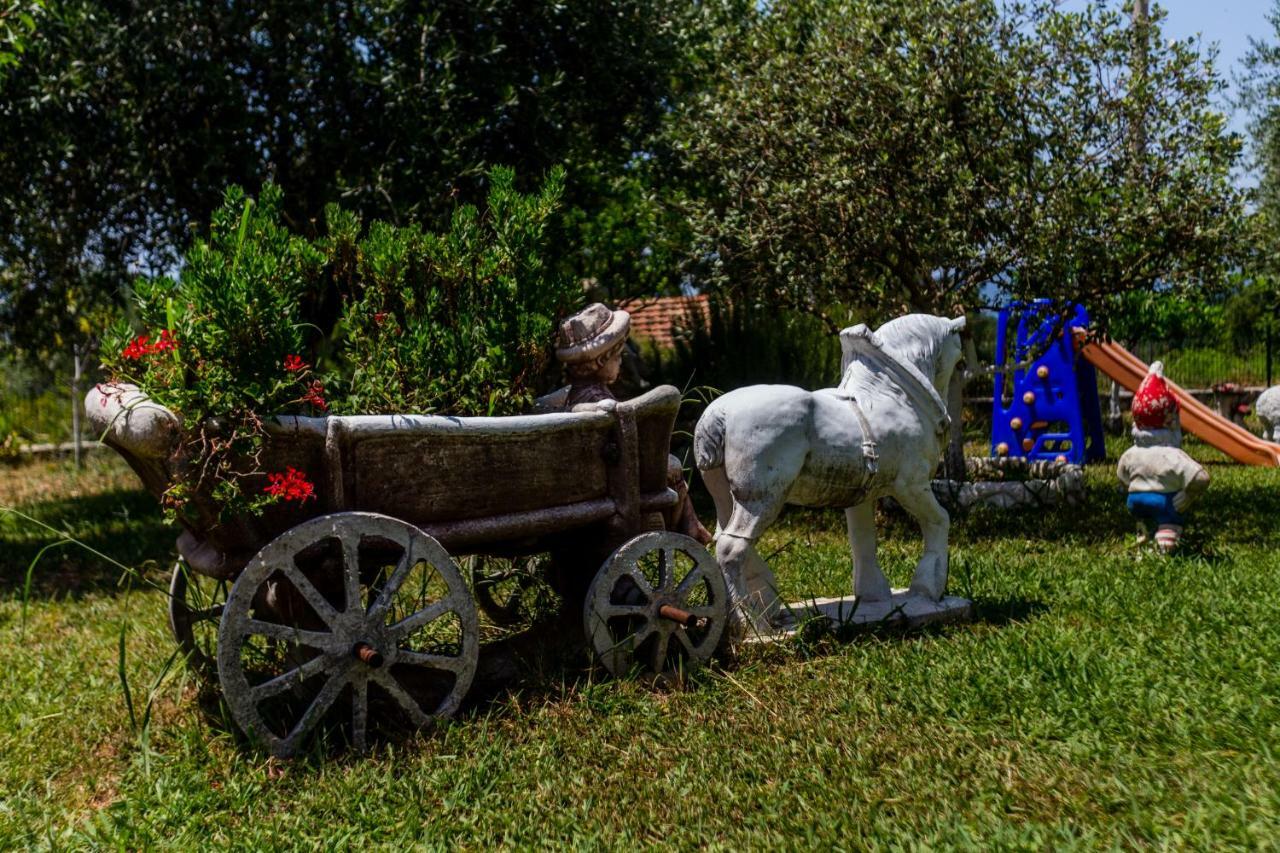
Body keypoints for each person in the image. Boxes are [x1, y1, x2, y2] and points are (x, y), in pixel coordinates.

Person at [555, 303, 712, 544]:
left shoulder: (575, 396)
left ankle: (692, 525)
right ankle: (690, 526)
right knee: (671, 466)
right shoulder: (598, 401)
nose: (620, 363)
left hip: (590, 480)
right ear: (601, 360)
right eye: (617, 357)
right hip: (613, 482)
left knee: (669, 465)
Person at [1117, 362, 1209, 554]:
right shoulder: (1172, 455)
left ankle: (1143, 534)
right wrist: (1188, 495)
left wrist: (1131, 488)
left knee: (1143, 519)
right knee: (1169, 520)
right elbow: (1201, 478)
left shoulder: (1131, 453)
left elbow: (1122, 476)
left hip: (1134, 501)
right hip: (1164, 502)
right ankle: (1164, 545)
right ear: (1171, 421)